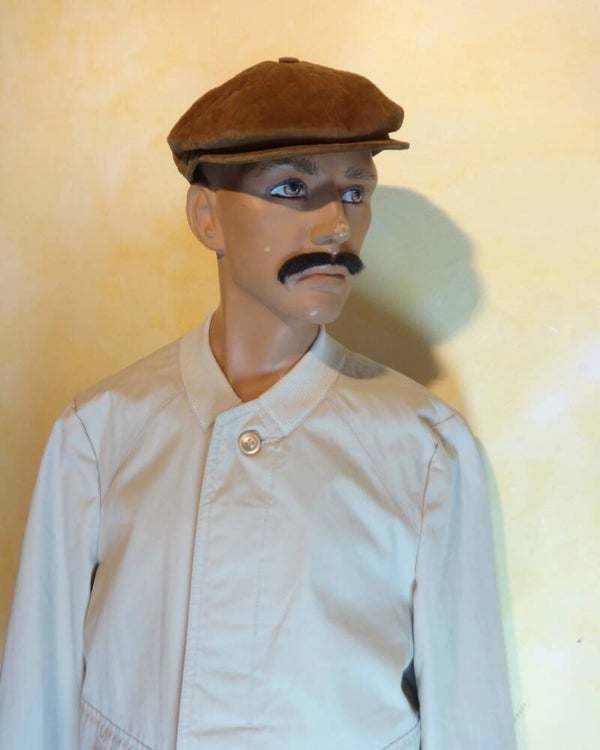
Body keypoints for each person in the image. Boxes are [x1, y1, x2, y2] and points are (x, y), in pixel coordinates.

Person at [0, 58, 516, 749]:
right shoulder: (100, 433)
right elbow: (36, 699)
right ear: (207, 216)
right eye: (292, 188)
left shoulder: (424, 449)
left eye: (355, 192)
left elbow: (470, 715)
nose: (336, 227)